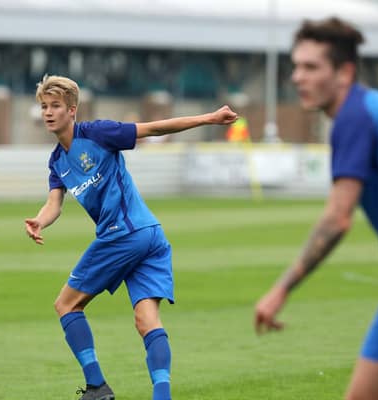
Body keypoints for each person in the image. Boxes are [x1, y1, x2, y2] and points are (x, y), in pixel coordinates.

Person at [25, 74, 238, 400]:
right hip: (151, 236)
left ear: (72, 110)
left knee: (66, 305)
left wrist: (209, 118)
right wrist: (40, 221)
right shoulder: (57, 162)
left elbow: (153, 128)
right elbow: (54, 203)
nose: (48, 112)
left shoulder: (97, 133)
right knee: (146, 320)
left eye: (55, 106)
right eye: (44, 107)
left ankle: (97, 387)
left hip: (123, 235)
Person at [254, 17, 378, 400]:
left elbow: (337, 218)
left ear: (344, 72)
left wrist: (280, 289)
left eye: (311, 67)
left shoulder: (356, 117)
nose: (297, 77)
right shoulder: (367, 108)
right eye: (296, 66)